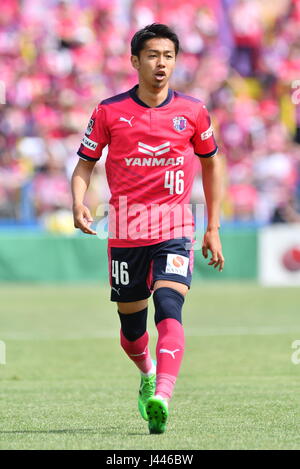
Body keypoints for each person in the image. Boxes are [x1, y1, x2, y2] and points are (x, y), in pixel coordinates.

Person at [71, 23, 224, 434]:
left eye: (169, 56)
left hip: (175, 226)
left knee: (169, 307)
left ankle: (164, 395)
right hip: (125, 229)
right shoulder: (109, 111)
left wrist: (213, 226)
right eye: (153, 55)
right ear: (135, 61)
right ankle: (147, 373)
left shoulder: (193, 112)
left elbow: (212, 163)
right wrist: (77, 201)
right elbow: (85, 162)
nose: (161, 63)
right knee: (131, 332)